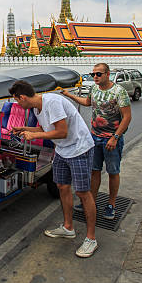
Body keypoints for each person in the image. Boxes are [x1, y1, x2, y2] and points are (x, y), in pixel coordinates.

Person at [8, 80, 98, 258]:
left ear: (23, 97)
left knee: (82, 193)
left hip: (79, 148)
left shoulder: (53, 102)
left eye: (17, 101)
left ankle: (91, 239)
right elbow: (45, 128)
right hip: (63, 150)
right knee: (62, 187)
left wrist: (34, 135)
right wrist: (24, 128)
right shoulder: (36, 108)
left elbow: (61, 131)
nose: (18, 104)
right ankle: (68, 227)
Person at [62, 63, 131, 221]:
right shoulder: (94, 89)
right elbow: (87, 102)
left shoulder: (119, 91)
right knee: (94, 170)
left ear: (107, 74)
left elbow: (127, 117)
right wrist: (69, 95)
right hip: (95, 137)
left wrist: (115, 137)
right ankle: (91, 202)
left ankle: (111, 204)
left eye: (98, 74)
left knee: (113, 172)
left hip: (112, 139)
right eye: (93, 74)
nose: (95, 77)